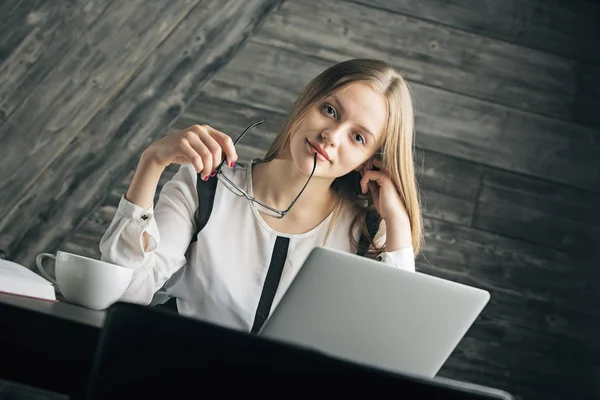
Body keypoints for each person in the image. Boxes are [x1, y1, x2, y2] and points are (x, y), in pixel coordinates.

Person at [99, 58, 424, 332]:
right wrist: (151, 162)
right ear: (307, 101)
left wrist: (397, 223)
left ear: (369, 160)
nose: (331, 136)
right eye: (329, 110)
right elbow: (124, 293)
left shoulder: (364, 234)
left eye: (357, 137)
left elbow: (388, 347)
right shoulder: (205, 185)